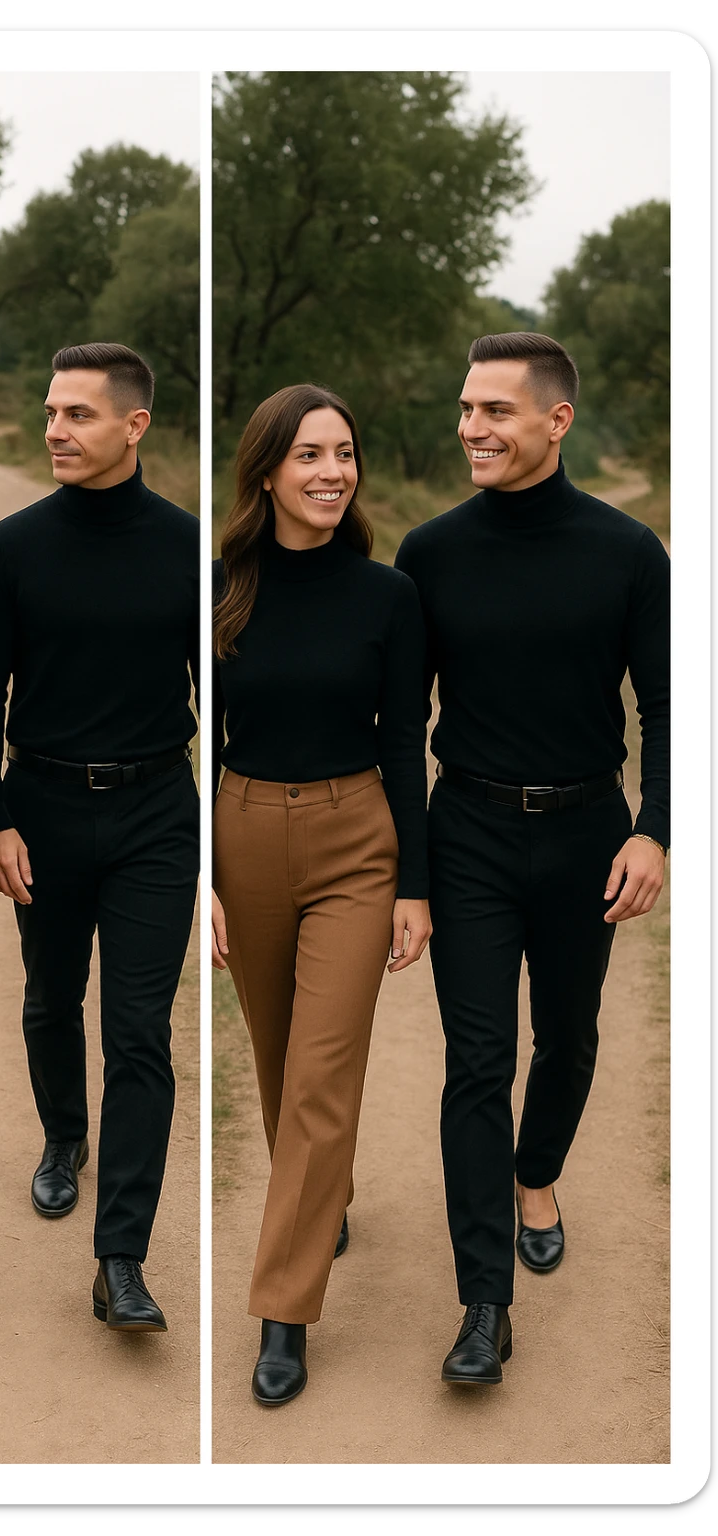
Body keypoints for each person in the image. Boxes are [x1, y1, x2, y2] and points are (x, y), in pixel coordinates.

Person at [394, 332, 669, 1385]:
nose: (471, 428)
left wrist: (655, 827)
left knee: (569, 1037)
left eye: (495, 411)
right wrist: (410, 871)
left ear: (554, 421)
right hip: (464, 829)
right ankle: (482, 1307)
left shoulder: (629, 553)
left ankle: (538, 1174)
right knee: (477, 1062)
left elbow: (668, 704)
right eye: (465, 409)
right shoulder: (429, 552)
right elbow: (395, 719)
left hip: (584, 836)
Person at [0, 342, 199, 1332]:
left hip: (157, 811)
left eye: (78, 415)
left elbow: (225, 702)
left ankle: (121, 1259)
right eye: (51, 411)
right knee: (50, 995)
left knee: (140, 1030)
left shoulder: (189, 548)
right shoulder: (11, 550)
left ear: (134, 426)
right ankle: (64, 1136)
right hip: (47, 806)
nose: (55, 429)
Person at [211, 384, 432, 1404]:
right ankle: (319, 1198)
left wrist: (411, 887)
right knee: (272, 1053)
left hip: (356, 841)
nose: (331, 472)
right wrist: (204, 877)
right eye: (308, 455)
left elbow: (402, 746)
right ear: (266, 471)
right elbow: (197, 749)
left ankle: (283, 1310)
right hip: (245, 833)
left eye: (343, 453)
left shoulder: (386, 597)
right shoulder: (217, 589)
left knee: (321, 1072)